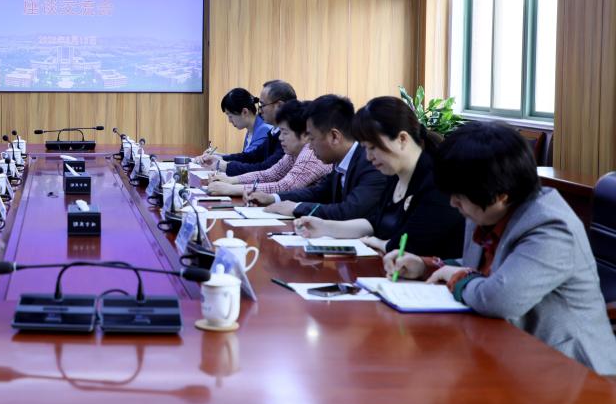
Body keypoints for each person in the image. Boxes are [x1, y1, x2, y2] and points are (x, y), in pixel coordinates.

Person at [384, 121, 616, 374]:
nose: (452, 204)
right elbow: (480, 270)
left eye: (459, 196)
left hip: (572, 371)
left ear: (501, 195)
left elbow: (499, 298)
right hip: (509, 351)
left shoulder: (551, 228)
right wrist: (426, 266)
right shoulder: (486, 209)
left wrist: (458, 277)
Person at [292, 96, 464, 258]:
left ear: (402, 139)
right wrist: (324, 227)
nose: (368, 157)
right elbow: (374, 224)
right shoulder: (394, 176)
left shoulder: (436, 181)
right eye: (365, 148)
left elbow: (410, 246)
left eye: (373, 148)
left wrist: (378, 243)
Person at [247, 94, 386, 220]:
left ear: (334, 137)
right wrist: (272, 198)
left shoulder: (370, 163)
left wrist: (297, 208)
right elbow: (318, 192)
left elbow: (350, 211)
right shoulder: (341, 161)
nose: (310, 146)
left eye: (312, 139)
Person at [207, 99, 331, 198]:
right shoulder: (294, 152)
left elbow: (285, 187)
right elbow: (270, 174)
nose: (280, 138)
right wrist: (231, 180)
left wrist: (231, 188)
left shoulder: (310, 153)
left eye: (285, 132)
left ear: (305, 134)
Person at [198, 80, 297, 176]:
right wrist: (220, 159)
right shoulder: (273, 131)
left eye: (262, 105)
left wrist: (224, 166)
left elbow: (266, 169)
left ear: (279, 106)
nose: (260, 111)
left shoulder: (288, 135)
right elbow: (250, 157)